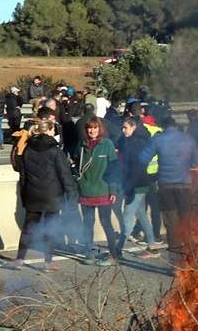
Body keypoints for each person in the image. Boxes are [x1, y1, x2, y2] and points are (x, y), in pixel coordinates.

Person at [13, 117, 75, 270]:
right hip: (52, 196)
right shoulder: (55, 151)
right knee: (50, 228)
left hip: (33, 194)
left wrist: (24, 194)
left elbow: (22, 173)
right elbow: (65, 175)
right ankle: (48, 261)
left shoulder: (28, 148)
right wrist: (72, 196)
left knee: (28, 228)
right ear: (50, 130)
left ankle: (19, 259)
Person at [148, 112, 198, 257]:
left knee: (170, 223)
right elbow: (197, 162)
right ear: (176, 126)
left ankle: (174, 262)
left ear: (163, 127)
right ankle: (191, 257)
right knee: (186, 221)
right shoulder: (188, 139)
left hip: (165, 186)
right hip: (185, 186)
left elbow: (144, 157)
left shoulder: (158, 139)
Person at [75, 116, 124, 263]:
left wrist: (113, 191)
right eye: (90, 128)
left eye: (95, 127)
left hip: (103, 191)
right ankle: (89, 253)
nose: (92, 130)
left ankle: (114, 254)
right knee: (88, 223)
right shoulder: (81, 145)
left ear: (100, 129)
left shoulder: (107, 144)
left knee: (106, 223)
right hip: (85, 191)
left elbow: (114, 169)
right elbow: (77, 165)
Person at [116, 115, 161, 258]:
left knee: (127, 215)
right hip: (136, 183)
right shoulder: (130, 140)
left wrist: (129, 185)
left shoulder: (138, 143)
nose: (123, 130)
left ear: (134, 127)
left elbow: (137, 167)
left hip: (138, 184)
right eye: (122, 127)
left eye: (125, 128)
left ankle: (117, 251)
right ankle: (152, 246)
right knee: (141, 215)